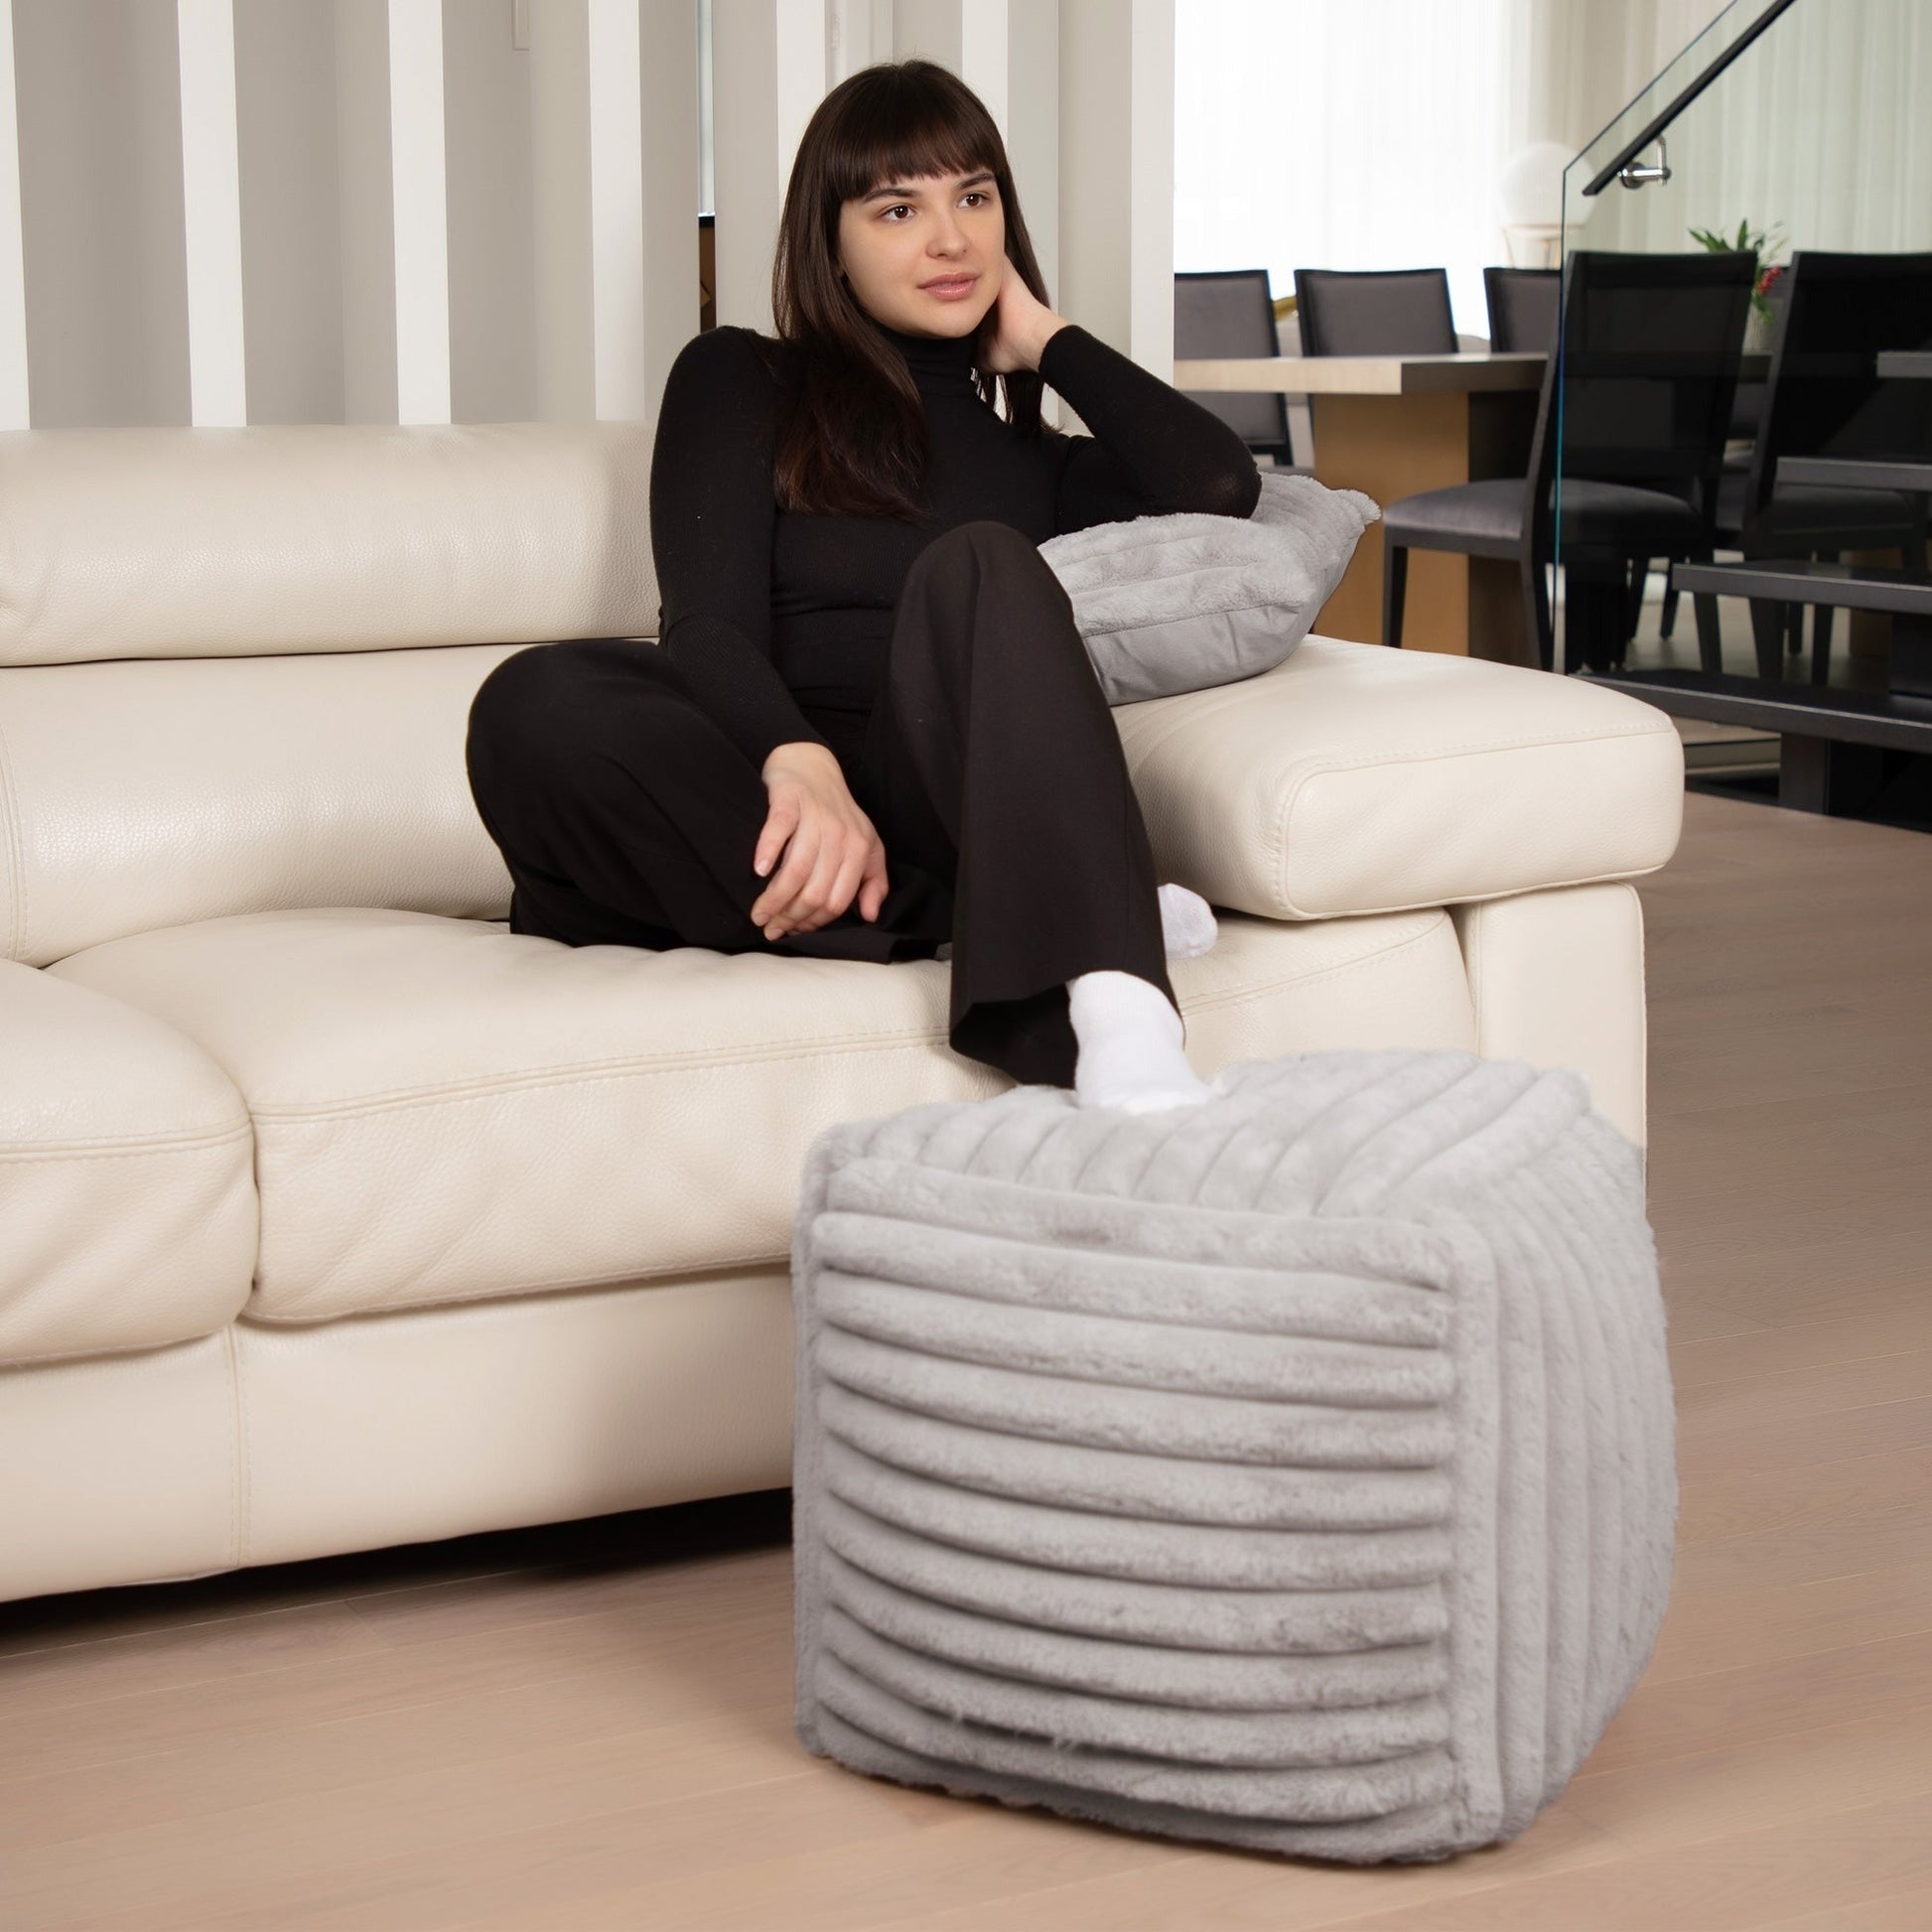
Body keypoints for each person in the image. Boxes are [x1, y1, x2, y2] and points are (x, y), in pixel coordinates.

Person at [465, 59, 1260, 1113]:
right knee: (533, 700)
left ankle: (1119, 1009)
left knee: (983, 560)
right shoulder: (742, 377)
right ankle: (1023, 912)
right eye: (897, 209)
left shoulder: (1038, 465)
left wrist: (1044, 338)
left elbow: (1219, 484)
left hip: (928, 799)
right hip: (760, 791)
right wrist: (797, 761)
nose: (951, 239)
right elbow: (705, 624)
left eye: (973, 198)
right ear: (830, 243)